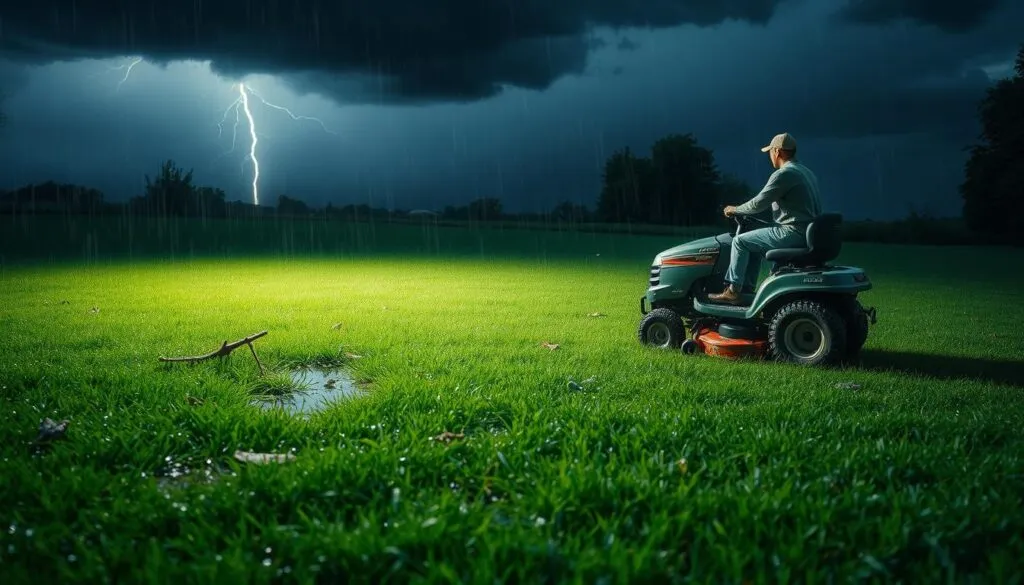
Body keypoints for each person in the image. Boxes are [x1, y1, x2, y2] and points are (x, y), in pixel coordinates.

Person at [708, 132, 822, 304]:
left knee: (740, 242)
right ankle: (746, 291)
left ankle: (733, 291)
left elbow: (758, 204)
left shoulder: (784, 174)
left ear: (777, 152)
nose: (770, 156)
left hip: (792, 233)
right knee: (753, 244)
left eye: (770, 152)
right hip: (808, 233)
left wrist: (735, 209)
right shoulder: (807, 172)